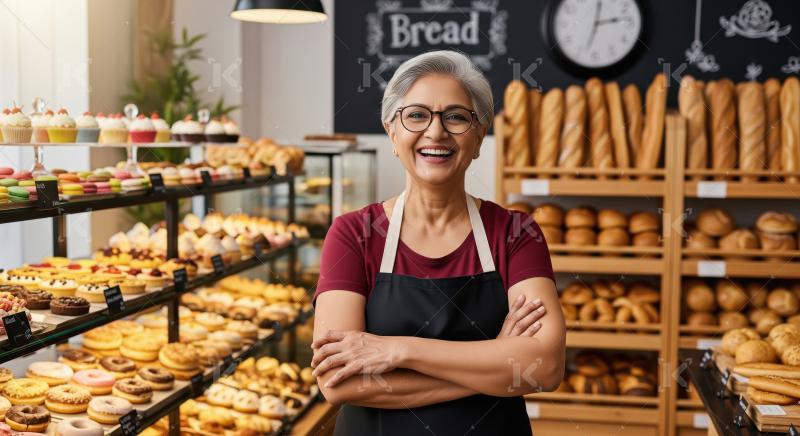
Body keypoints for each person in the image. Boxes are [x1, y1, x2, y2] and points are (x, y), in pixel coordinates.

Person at [311, 50, 565, 435]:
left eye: (456, 117)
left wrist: (400, 350)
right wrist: (496, 361)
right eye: (416, 115)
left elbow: (545, 367)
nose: (436, 132)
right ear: (392, 132)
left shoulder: (517, 232)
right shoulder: (352, 235)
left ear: (479, 137)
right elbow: (339, 382)